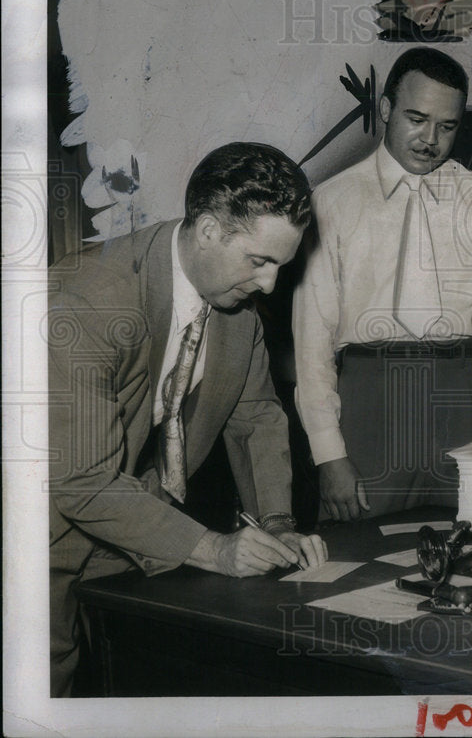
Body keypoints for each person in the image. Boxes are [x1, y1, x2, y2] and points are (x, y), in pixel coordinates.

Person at [48, 142, 328, 696]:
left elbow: (256, 420)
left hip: (126, 539)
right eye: (259, 261)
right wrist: (217, 549)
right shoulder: (84, 301)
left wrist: (277, 525)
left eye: (282, 265)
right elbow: (80, 480)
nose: (270, 285)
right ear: (206, 230)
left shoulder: (236, 309)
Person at [293, 47, 472, 520]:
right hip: (371, 402)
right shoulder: (332, 201)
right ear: (384, 109)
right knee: (357, 569)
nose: (430, 139)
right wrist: (328, 453)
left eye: (447, 126)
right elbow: (312, 342)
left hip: (465, 398)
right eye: (416, 118)